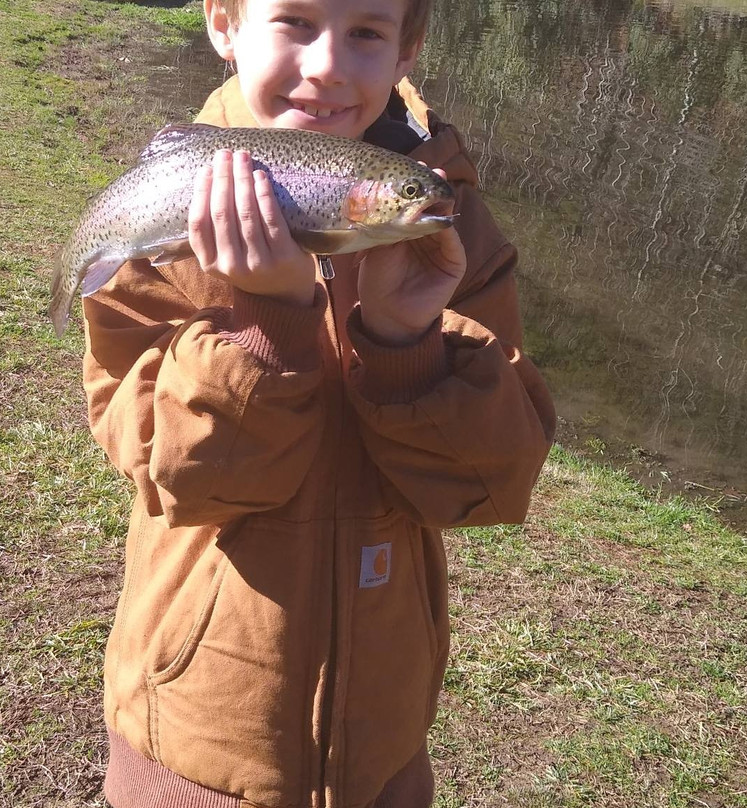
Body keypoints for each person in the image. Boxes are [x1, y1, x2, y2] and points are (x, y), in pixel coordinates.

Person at [81, 0, 556, 805]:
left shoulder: (449, 220)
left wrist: (408, 336)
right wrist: (267, 320)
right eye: (295, 22)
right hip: (195, 738)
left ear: (407, 50)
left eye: (366, 32)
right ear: (224, 23)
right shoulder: (166, 208)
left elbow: (492, 485)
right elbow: (184, 481)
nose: (329, 63)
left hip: (385, 745)